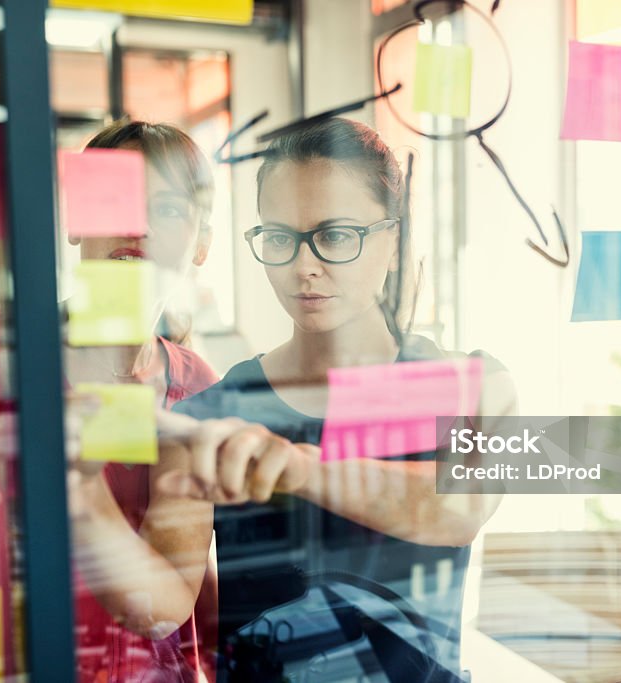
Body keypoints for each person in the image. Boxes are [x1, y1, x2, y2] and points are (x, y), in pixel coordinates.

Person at [0, 121, 303, 683]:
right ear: (78, 220)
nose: (138, 222)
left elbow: (178, 602)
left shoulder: (200, 388)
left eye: (169, 208)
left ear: (203, 243)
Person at [170, 117, 517, 681]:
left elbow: (460, 508)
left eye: (334, 236)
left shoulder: (477, 385)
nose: (304, 266)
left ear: (395, 237)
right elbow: (181, 605)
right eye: (280, 238)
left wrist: (296, 466)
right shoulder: (216, 411)